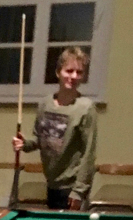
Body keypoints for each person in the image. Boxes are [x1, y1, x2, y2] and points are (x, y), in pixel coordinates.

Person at [12, 45, 97, 210]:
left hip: (72, 188)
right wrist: (24, 144)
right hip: (51, 184)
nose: (74, 76)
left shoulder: (86, 108)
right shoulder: (45, 104)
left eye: (79, 72)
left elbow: (89, 154)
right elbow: (39, 139)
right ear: (58, 72)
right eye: (69, 71)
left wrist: (79, 191)